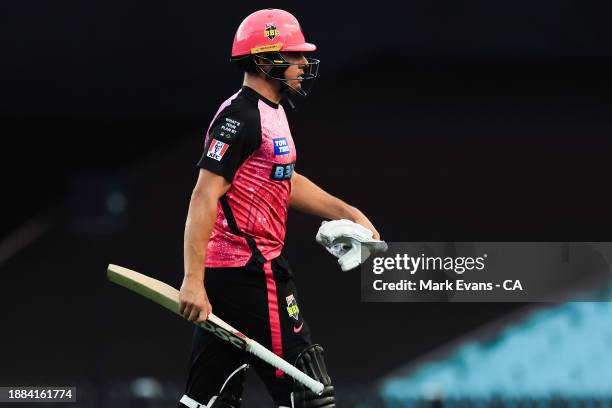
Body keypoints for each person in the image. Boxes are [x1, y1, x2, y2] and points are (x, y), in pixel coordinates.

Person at [177, 8, 379, 408]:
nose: (304, 64)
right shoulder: (240, 118)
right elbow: (203, 196)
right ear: (266, 60)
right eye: (295, 55)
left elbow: (284, 181)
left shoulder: (274, 113)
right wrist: (192, 280)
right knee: (309, 392)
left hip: (237, 276)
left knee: (207, 401)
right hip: (252, 273)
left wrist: (347, 211)